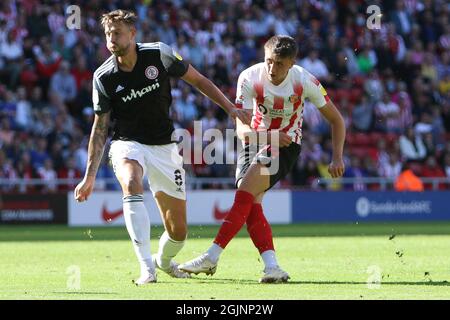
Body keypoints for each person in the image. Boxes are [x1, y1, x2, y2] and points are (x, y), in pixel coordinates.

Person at [74, 10, 250, 285]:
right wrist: (90, 176)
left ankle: (163, 260)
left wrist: (229, 108)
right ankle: (147, 269)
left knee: (178, 232)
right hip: (127, 143)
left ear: (133, 34)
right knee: (131, 182)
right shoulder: (103, 76)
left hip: (164, 147)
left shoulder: (159, 54)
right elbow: (100, 128)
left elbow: (200, 81)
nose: (111, 39)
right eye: (108, 34)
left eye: (117, 33)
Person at [179, 35, 346, 283]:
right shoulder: (249, 77)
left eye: (279, 63)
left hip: (286, 145)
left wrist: (337, 157)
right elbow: (241, 130)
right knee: (251, 203)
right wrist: (269, 135)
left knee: (245, 191)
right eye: (269, 61)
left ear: (291, 63)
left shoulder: (305, 81)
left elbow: (337, 120)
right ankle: (272, 267)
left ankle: (211, 256)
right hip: (254, 141)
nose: (272, 68)